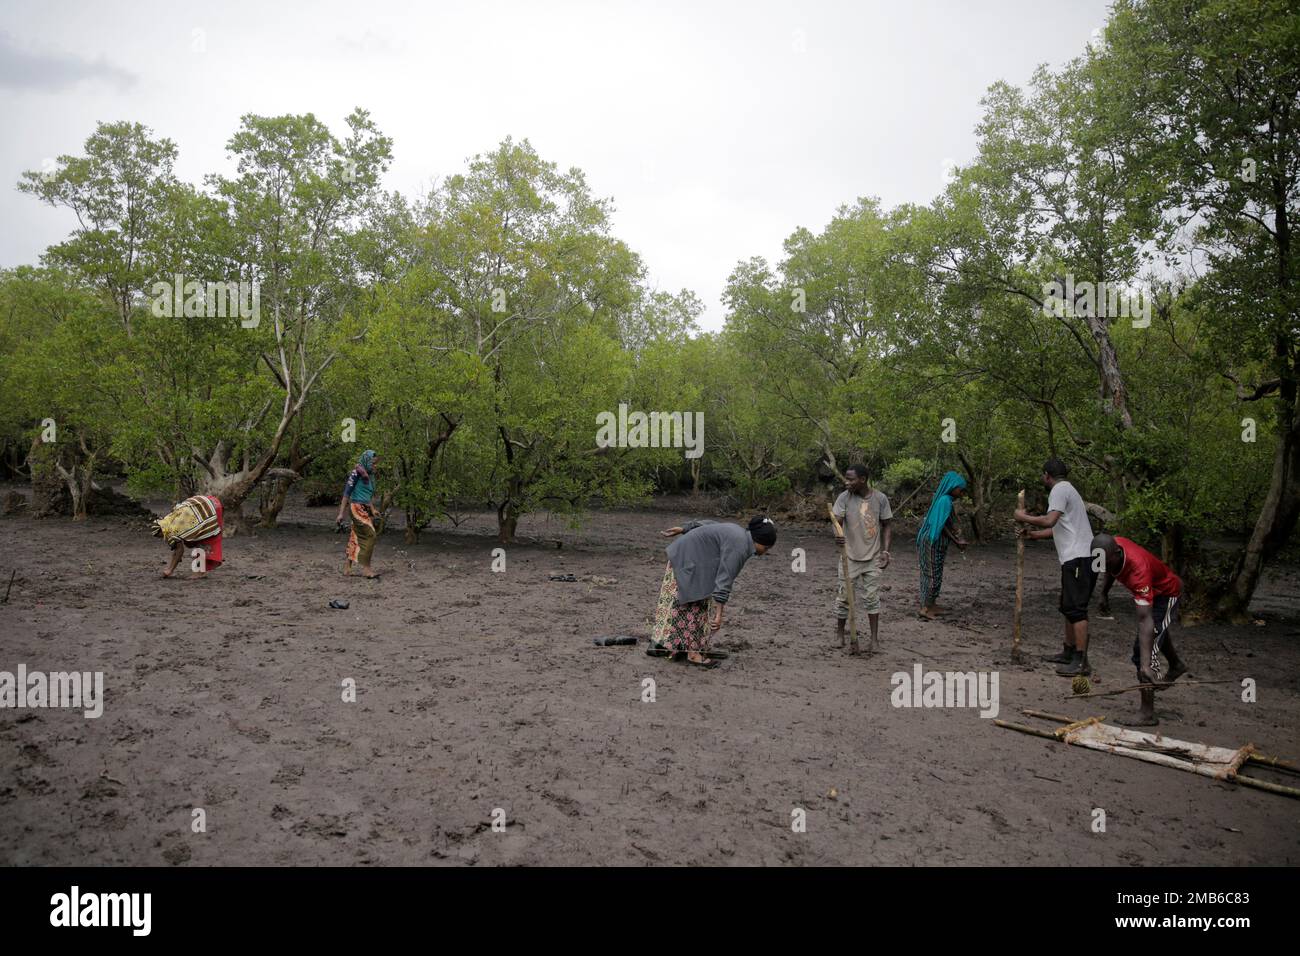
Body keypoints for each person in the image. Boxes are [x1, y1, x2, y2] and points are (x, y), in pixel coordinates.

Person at [649, 516, 777, 668]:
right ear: (758, 540)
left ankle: (685, 647)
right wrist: (719, 614)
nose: (765, 552)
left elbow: (710, 525)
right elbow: (725, 579)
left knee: (698, 602)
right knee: (694, 603)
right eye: (766, 547)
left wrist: (685, 528)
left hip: (691, 558)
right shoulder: (740, 546)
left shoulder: (738, 532)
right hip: (688, 560)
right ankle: (693, 653)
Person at [1093, 533, 1189, 726]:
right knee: (1158, 632)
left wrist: (1145, 664)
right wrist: (1104, 593)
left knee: (1143, 650)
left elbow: (1145, 619)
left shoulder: (1139, 571)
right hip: (1154, 589)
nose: (1101, 566)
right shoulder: (1109, 549)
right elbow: (1109, 568)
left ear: (1117, 554)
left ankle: (1147, 713)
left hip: (1167, 593)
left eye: (1105, 562)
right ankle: (1176, 664)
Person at [1014, 457, 1095, 676]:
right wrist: (1033, 535)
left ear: (1047, 475)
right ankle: (1068, 651)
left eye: (1042, 475)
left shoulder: (1059, 490)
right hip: (1076, 557)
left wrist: (1023, 516)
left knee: (1076, 609)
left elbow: (1050, 521)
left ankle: (1081, 660)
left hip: (1079, 558)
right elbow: (1058, 529)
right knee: (1068, 606)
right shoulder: (1068, 490)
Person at [831, 464, 893, 651]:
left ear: (863, 479)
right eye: (846, 478)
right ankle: (840, 635)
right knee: (843, 598)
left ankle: (874, 639)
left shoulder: (880, 499)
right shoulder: (844, 498)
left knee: (872, 599)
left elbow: (887, 525)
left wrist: (886, 551)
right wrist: (838, 534)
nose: (846, 482)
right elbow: (836, 521)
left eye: (850, 479)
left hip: (873, 558)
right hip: (848, 556)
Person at [916, 470, 969, 620]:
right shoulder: (945, 501)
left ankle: (931, 604)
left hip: (935, 542)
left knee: (935, 573)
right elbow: (942, 526)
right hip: (932, 542)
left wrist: (957, 539)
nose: (962, 493)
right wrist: (957, 541)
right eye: (961, 489)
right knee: (932, 574)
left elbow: (947, 523)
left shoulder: (945, 501)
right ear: (953, 486)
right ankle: (926, 608)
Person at [152, 493, 224, 578]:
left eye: (159, 536)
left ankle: (199, 573)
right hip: (210, 503)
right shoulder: (168, 520)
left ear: (161, 531)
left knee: (201, 541)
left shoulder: (169, 531)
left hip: (207, 510)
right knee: (198, 539)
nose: (162, 538)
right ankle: (200, 571)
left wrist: (169, 570)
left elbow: (179, 551)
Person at [335, 450, 381, 578]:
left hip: (364, 508)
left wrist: (372, 509)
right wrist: (340, 514)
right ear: (366, 460)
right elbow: (346, 494)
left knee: (355, 537)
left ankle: (347, 567)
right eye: (373, 463)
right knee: (370, 535)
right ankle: (366, 569)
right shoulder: (356, 473)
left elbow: (367, 495)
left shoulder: (370, 476)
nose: (375, 466)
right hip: (356, 508)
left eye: (376, 464)